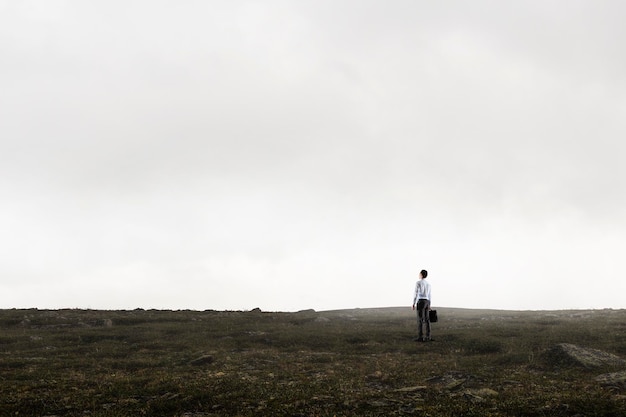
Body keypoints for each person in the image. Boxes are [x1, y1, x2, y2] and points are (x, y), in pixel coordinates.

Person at [412, 269, 432, 342]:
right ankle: (428, 336)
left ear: (421, 275)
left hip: (421, 301)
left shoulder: (418, 283)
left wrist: (413, 303)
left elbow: (416, 293)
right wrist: (429, 304)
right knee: (427, 319)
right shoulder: (428, 284)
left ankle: (420, 337)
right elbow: (430, 295)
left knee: (420, 319)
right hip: (427, 301)